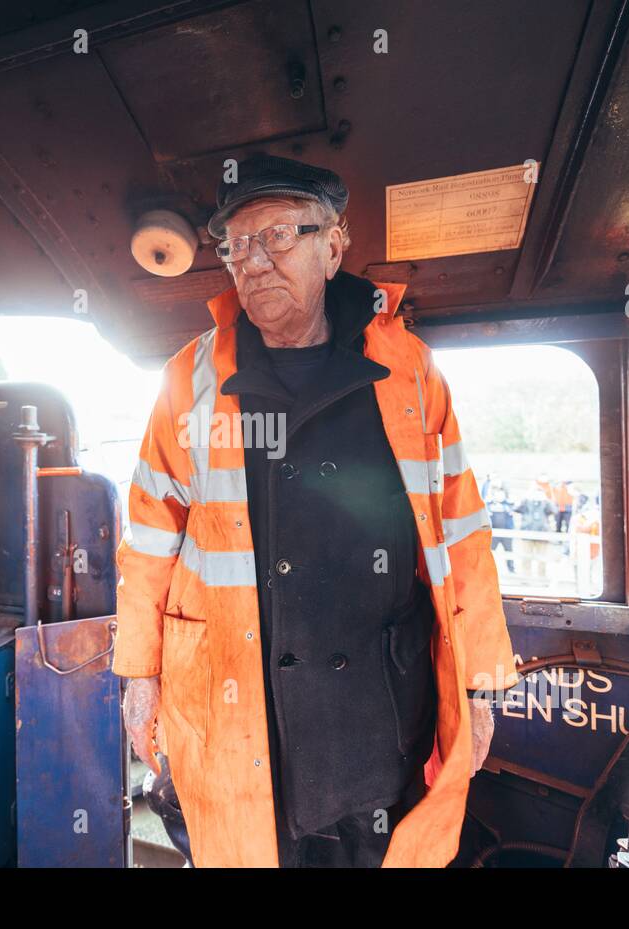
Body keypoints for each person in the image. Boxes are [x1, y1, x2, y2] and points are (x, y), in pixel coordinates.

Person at [112, 155, 517, 868]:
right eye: (235, 244)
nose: (252, 260)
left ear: (332, 247)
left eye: (275, 236)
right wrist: (139, 678)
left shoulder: (412, 370)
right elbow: (148, 538)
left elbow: (462, 529)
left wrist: (480, 683)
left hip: (379, 713)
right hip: (242, 715)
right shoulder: (189, 378)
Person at [486, 484, 516, 574]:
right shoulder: (489, 504)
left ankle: (511, 570)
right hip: (494, 533)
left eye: (501, 495)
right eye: (498, 495)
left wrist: (505, 507)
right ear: (494, 495)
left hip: (507, 533)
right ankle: (487, 570)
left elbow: (513, 509)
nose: (500, 497)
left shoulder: (509, 504)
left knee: (509, 552)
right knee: (490, 552)